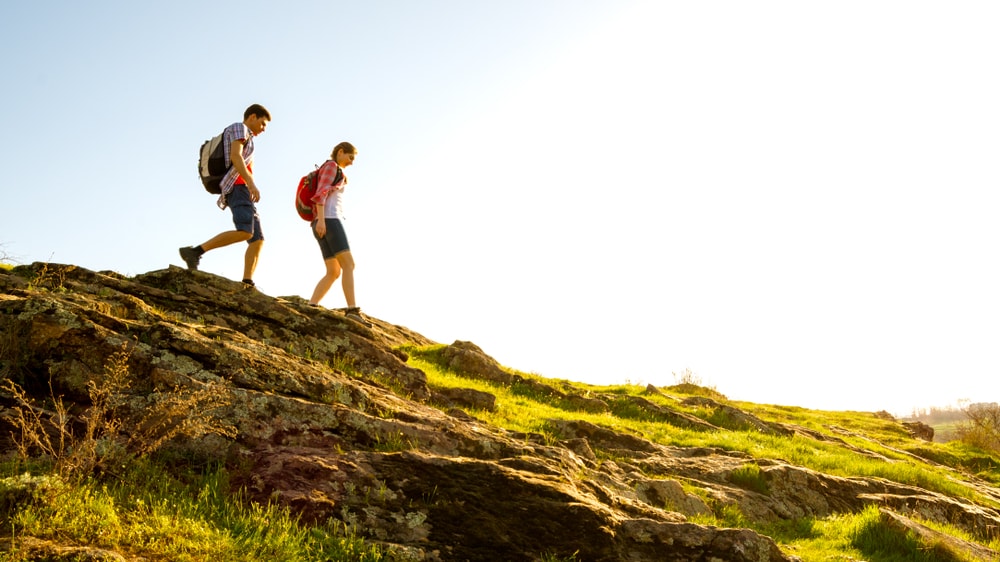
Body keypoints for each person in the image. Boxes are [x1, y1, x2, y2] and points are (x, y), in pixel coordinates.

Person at [179, 104, 271, 287]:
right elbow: (236, 157)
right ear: (252, 116)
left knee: (257, 239)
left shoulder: (249, 138)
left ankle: (247, 281)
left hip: (242, 188)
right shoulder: (240, 128)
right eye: (262, 123)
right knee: (246, 231)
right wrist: (251, 184)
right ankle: (195, 251)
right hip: (237, 187)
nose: (263, 129)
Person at [307, 142, 368, 325]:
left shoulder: (335, 170)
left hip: (322, 222)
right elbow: (321, 193)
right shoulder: (332, 166)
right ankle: (351, 310)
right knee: (349, 264)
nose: (351, 162)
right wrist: (323, 220)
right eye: (350, 157)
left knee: (333, 271)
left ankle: (311, 306)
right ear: (340, 152)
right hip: (330, 221)